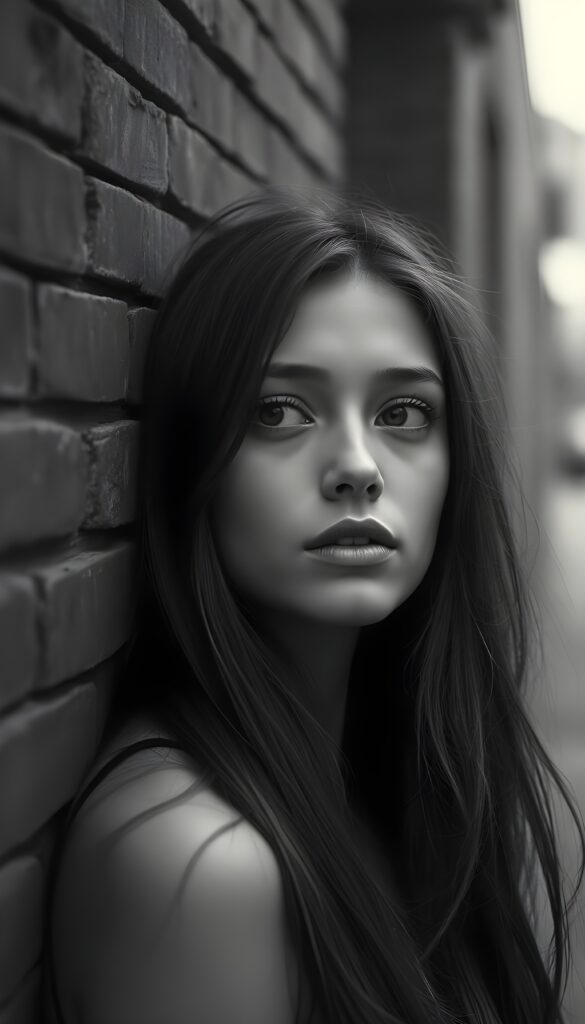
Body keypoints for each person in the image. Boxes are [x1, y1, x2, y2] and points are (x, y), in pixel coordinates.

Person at [43, 187, 584, 1024]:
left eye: (402, 412)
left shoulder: (375, 764)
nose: (357, 467)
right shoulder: (198, 863)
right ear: (194, 461)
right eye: (279, 411)